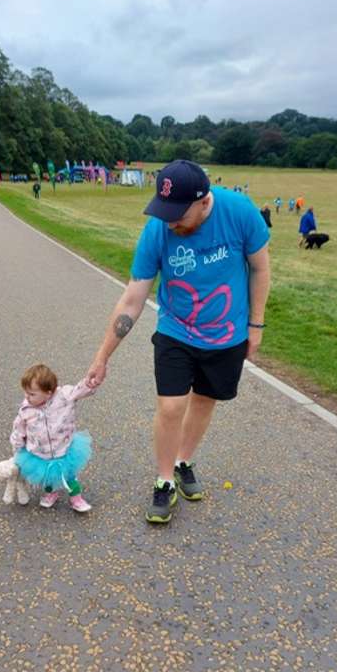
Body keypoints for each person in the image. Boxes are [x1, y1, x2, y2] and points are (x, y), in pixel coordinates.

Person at [86, 159, 270, 524]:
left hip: (226, 334)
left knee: (204, 400)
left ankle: (184, 460)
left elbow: (261, 268)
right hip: (177, 331)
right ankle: (165, 479)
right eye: (164, 213)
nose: (170, 222)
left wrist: (256, 325)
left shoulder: (240, 212)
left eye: (178, 215)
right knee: (171, 407)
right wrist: (102, 356)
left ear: (205, 202)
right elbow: (132, 299)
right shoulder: (158, 229)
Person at [10, 364, 95, 512]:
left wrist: (91, 382)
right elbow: (18, 430)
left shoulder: (64, 396)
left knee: (69, 477)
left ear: (49, 393)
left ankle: (77, 499)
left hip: (64, 448)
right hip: (39, 453)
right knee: (47, 477)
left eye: (32, 394)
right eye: (26, 392)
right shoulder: (25, 410)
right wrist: (17, 449)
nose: (27, 397)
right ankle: (51, 493)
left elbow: (80, 389)